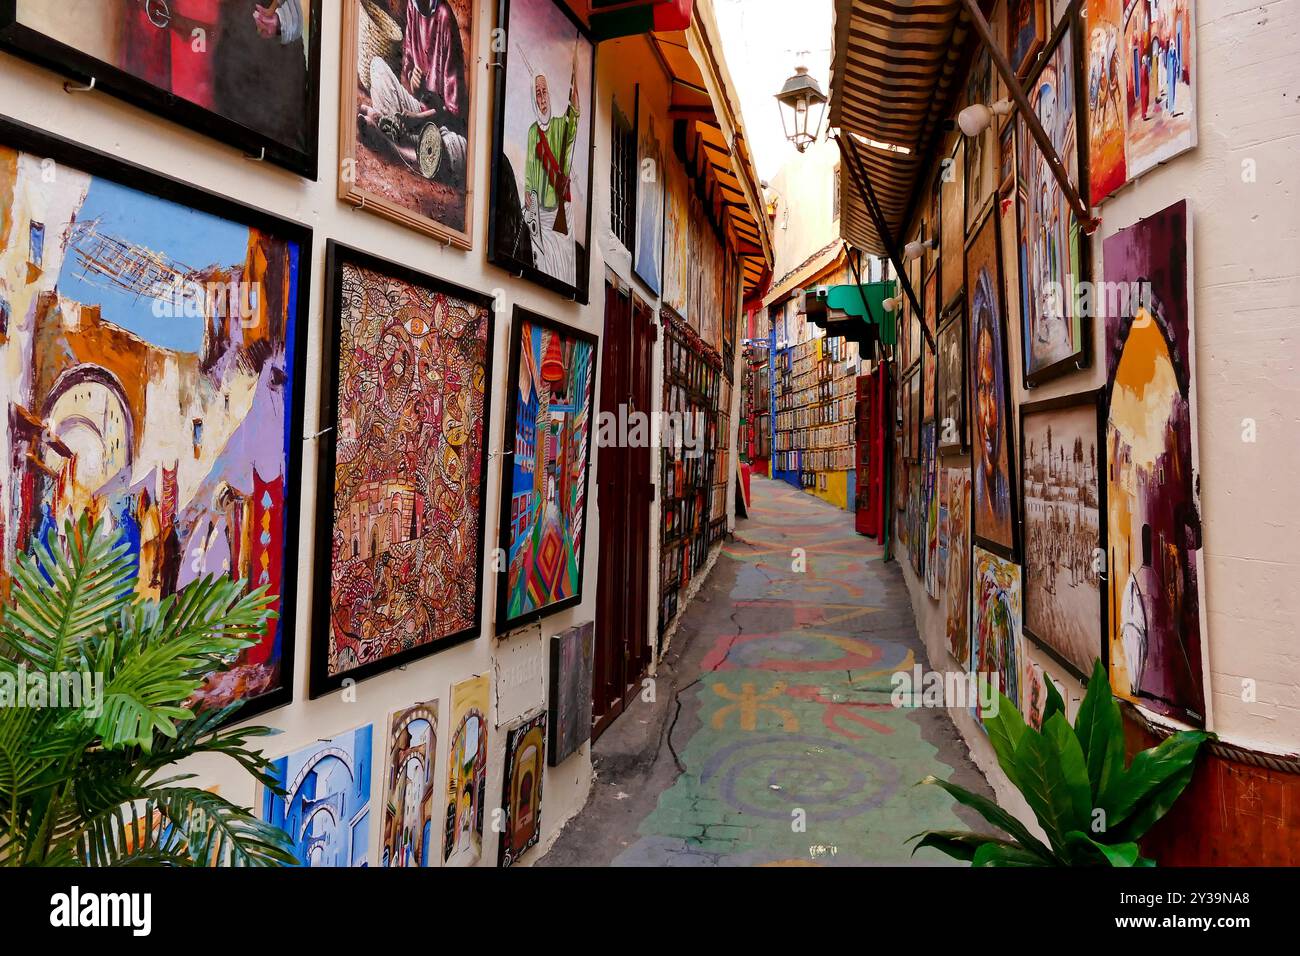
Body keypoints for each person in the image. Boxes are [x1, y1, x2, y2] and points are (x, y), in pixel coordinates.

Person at [359, 0, 469, 184]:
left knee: (459, 149)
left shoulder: (444, 16)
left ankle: (392, 145)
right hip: (414, 112)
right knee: (377, 67)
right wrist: (413, 79)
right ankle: (399, 132)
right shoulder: (413, 5)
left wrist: (415, 119)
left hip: (440, 126)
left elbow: (452, 112)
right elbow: (408, 68)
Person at [522, 48, 583, 285]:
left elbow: (574, 114)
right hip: (541, 215)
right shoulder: (532, 133)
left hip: (559, 211)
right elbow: (529, 170)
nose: (542, 98)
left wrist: (575, 82)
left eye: (544, 92)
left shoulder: (560, 127)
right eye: (537, 93)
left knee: (561, 267)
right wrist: (527, 193)